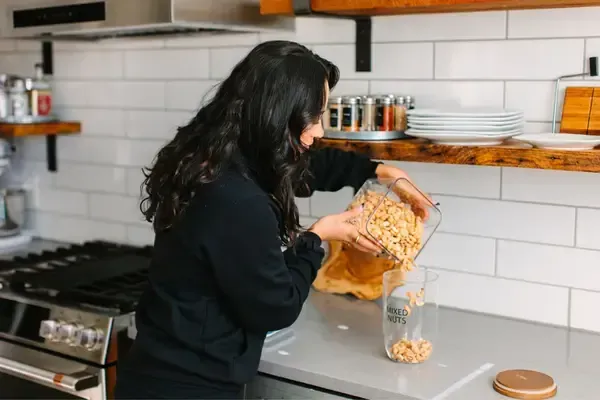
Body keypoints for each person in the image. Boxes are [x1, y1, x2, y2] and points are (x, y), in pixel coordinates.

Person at [114, 40, 420, 399]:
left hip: (155, 370)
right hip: (189, 388)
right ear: (277, 115)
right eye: (314, 117)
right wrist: (318, 237)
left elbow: (301, 167)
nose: (319, 131)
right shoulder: (238, 200)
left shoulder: (212, 157)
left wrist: (376, 170)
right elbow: (276, 306)